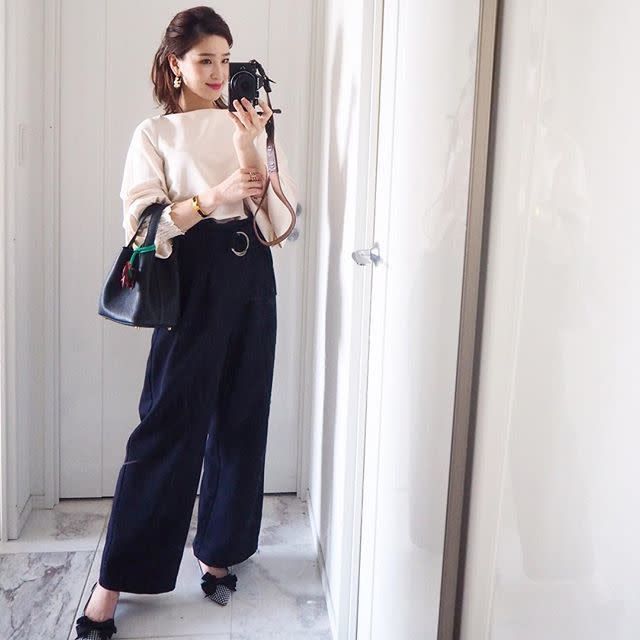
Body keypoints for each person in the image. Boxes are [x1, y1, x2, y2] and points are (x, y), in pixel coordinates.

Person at [74, 6, 297, 639]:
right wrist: (212, 198)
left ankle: (218, 551)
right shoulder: (155, 135)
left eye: (226, 60)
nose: (219, 72)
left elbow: (281, 226)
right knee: (167, 424)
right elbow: (142, 228)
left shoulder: (251, 123)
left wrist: (253, 145)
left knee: (241, 417)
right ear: (176, 64)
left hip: (251, 277)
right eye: (205, 60)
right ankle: (113, 582)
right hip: (192, 282)